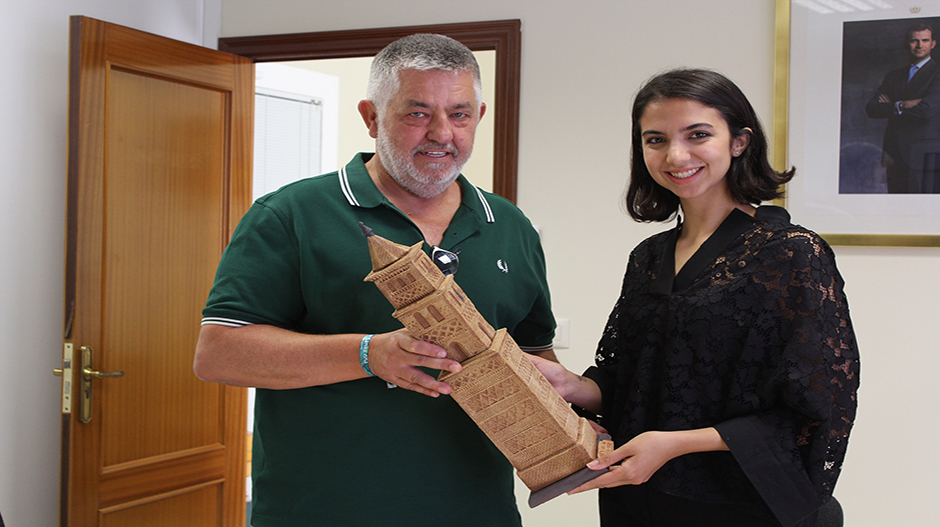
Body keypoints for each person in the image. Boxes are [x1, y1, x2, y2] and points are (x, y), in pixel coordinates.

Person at [193, 34, 557, 527]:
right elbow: (219, 353)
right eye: (417, 113)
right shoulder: (290, 215)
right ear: (370, 117)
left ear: (480, 116)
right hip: (323, 510)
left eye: (460, 113)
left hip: (478, 509)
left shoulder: (510, 224)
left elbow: (534, 352)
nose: (442, 133)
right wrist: (369, 354)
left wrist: (567, 423)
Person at [529, 68, 859, 527]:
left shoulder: (790, 253)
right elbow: (633, 381)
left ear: (739, 141)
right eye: (656, 139)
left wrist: (674, 443)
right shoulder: (648, 256)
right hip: (645, 497)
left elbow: (817, 406)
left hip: (748, 502)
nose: (675, 155)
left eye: (697, 134)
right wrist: (569, 385)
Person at [865, 22, 940, 193]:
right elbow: (872, 108)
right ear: (907, 44)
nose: (920, 45)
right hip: (894, 152)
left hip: (926, 154)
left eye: (925, 40)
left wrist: (891, 107)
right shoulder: (894, 76)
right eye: (914, 41)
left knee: (924, 209)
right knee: (895, 205)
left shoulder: (937, 73)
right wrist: (902, 104)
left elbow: (926, 110)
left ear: (933, 44)